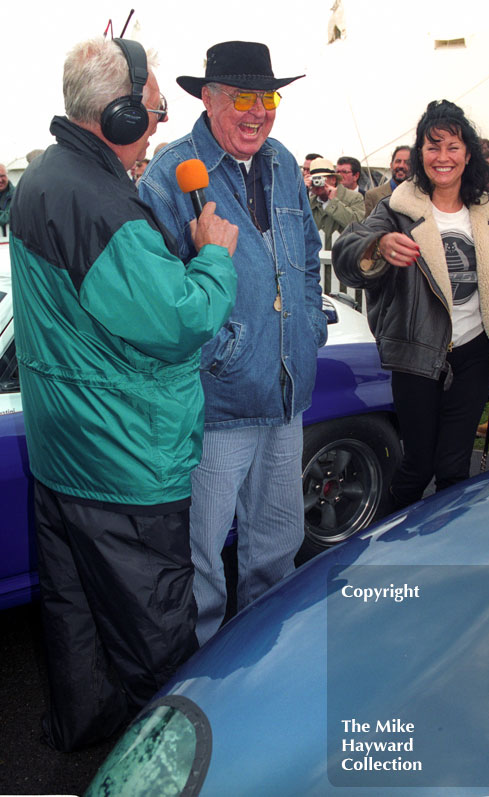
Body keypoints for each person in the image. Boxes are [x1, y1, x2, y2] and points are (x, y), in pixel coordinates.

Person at [9, 36, 238, 752]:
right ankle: (160, 762)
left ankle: (88, 734)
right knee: (155, 640)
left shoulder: (42, 179)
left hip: (63, 455)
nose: (158, 127)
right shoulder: (102, 204)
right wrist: (213, 257)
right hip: (126, 465)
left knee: (76, 622)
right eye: (154, 110)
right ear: (115, 114)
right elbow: (181, 319)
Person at [139, 40, 327, 645]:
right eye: (242, 96)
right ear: (209, 99)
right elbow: (159, 299)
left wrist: (309, 328)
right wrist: (221, 350)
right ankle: (201, 688)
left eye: (267, 96)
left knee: (277, 549)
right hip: (216, 403)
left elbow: (304, 255)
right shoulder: (172, 173)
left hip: (286, 394)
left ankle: (263, 668)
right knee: (201, 564)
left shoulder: (284, 162)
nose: (258, 111)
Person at [332, 99, 489, 509]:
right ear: (420, 153)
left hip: (474, 355)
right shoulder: (399, 208)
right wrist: (377, 244)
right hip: (416, 354)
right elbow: (347, 253)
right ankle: (387, 550)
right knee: (417, 465)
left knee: (454, 468)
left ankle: (445, 557)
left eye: (452, 147)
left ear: (468, 153)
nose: (442, 157)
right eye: (432, 146)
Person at [308, 156, 365, 249]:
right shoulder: (309, 202)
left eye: (322, 179)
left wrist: (333, 202)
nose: (318, 183)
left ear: (333, 179)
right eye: (314, 180)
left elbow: (357, 225)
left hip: (342, 256)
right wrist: (303, 191)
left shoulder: (354, 198)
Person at [364, 145, 411, 217]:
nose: (401, 166)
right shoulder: (373, 196)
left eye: (407, 162)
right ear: (391, 165)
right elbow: (367, 226)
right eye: (398, 161)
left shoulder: (421, 195)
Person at [0, 164, 14, 236]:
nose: (0, 180)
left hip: (13, 242)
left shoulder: (17, 195)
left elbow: (15, 215)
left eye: (2, 176)